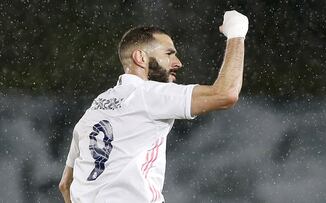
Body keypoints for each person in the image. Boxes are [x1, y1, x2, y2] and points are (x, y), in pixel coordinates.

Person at [59, 10, 248, 203]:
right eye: (169, 54)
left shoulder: (95, 109)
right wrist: (237, 32)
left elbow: (66, 184)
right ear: (140, 58)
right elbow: (226, 94)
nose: (178, 63)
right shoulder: (147, 94)